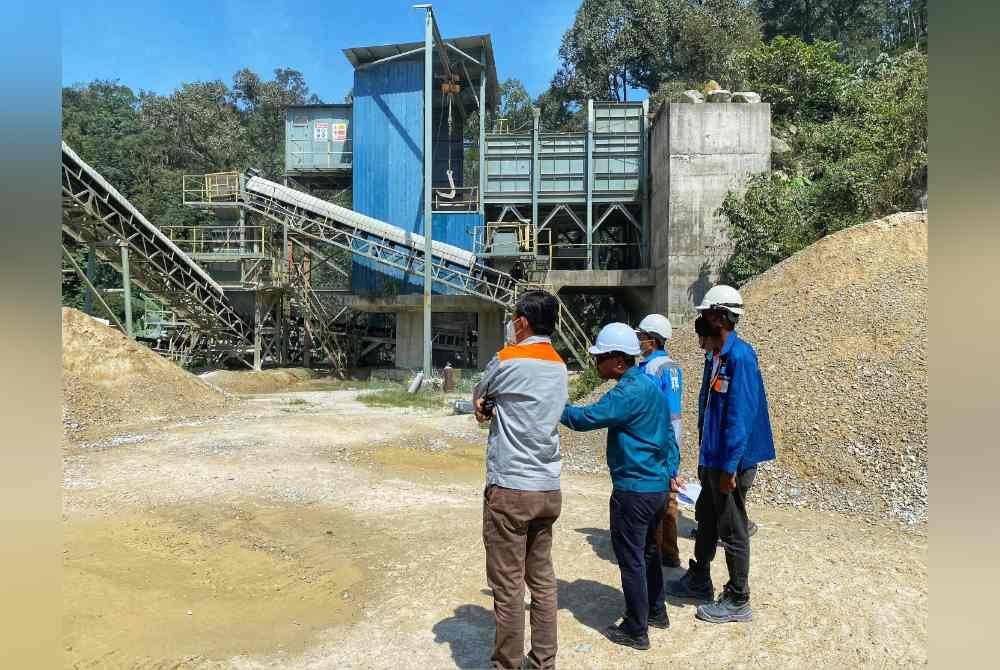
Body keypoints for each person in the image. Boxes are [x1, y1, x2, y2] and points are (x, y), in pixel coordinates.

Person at [560, 323, 679, 651]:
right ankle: (657, 611)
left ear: (617, 360)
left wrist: (556, 406)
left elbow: (585, 419)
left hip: (633, 490)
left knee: (631, 559)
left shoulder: (627, 392)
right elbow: (669, 436)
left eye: (600, 357)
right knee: (650, 553)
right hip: (655, 487)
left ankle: (636, 629)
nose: (596, 363)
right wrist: (670, 472)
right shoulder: (650, 384)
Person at [666, 285, 775, 624]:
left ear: (720, 317)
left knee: (732, 527)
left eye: (705, 315)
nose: (700, 320)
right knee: (707, 519)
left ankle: (739, 598)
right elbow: (709, 410)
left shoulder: (741, 357)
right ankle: (699, 579)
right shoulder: (715, 356)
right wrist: (704, 459)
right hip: (713, 457)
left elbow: (740, 417)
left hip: (732, 460)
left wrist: (728, 466)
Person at [473, 289, 568, 670]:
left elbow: (481, 393)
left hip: (511, 488)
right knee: (541, 580)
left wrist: (483, 406)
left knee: (509, 585)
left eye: (515, 319)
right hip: (547, 487)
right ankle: (543, 661)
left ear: (523, 322)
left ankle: (507, 664)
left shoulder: (509, 358)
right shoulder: (560, 364)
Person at [635, 314, 684, 569]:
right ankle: (662, 550)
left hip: (658, 445)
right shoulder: (663, 367)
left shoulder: (657, 369)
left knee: (663, 499)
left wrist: (671, 458)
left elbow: (671, 415)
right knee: (662, 499)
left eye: (641, 337)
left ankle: (665, 552)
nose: (638, 341)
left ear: (652, 341)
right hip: (662, 443)